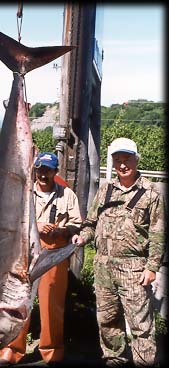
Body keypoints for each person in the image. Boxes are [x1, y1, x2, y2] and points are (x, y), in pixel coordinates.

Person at [72, 137, 165, 367]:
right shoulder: (105, 190)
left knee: (141, 325)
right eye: (117, 160)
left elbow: (158, 234)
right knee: (107, 321)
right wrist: (82, 236)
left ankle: (144, 363)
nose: (122, 165)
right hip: (103, 267)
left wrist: (152, 267)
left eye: (127, 159)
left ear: (136, 159)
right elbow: (91, 223)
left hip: (134, 269)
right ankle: (115, 360)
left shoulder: (150, 193)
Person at [0, 152, 82, 367]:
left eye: (49, 170)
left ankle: (52, 351)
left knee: (53, 304)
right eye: (40, 169)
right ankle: (10, 349)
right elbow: (10, 218)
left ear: (55, 172)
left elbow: (77, 223)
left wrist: (61, 230)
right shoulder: (23, 192)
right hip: (24, 252)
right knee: (18, 302)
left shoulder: (67, 195)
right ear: (35, 170)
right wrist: (36, 226)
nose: (44, 174)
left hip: (54, 253)